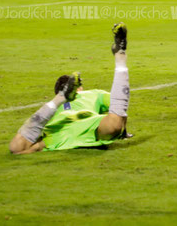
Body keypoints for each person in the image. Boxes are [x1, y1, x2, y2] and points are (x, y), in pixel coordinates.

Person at [9, 23, 132, 154]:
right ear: (79, 89)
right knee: (115, 125)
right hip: (85, 124)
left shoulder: (55, 111)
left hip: (57, 131)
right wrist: (123, 131)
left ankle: (59, 99)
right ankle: (120, 56)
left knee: (16, 148)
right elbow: (118, 107)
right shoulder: (92, 94)